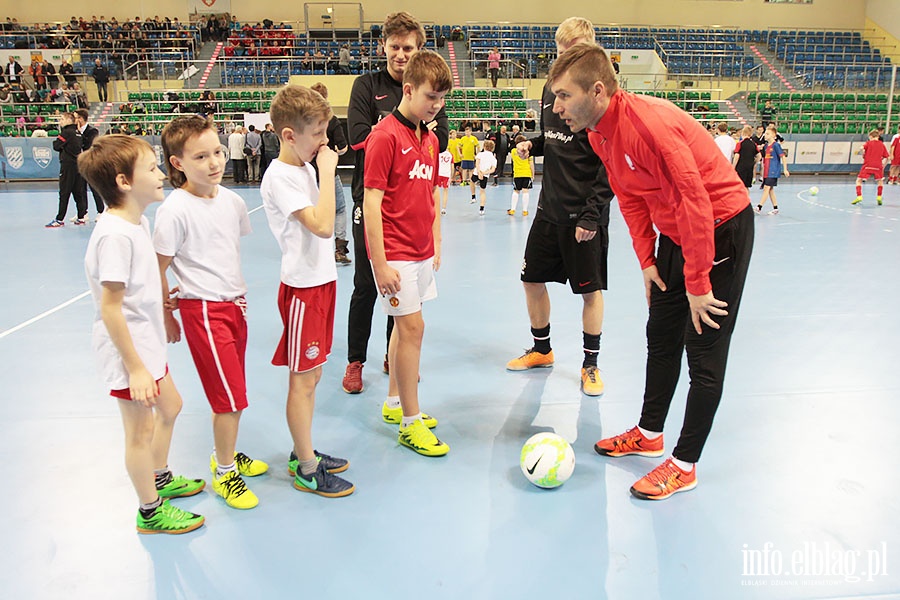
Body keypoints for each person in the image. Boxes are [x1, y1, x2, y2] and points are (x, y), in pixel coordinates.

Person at [547, 42, 754, 500]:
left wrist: (698, 282)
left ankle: (684, 463)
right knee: (660, 335)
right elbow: (632, 196)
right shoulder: (600, 132)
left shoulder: (650, 125)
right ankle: (650, 432)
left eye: (563, 96)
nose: (556, 106)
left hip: (720, 228)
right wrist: (646, 260)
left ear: (597, 91)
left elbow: (697, 200)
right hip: (676, 236)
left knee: (703, 350)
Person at [79, 134, 206, 534]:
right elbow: (111, 307)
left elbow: (145, 284)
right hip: (127, 353)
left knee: (170, 407)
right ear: (123, 182)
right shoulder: (115, 235)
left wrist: (166, 311)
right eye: (151, 168)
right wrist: (135, 369)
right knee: (140, 431)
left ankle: (160, 476)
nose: (160, 174)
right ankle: (150, 511)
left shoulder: (138, 222)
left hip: (146, 343)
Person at [155, 115, 268, 511]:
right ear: (178, 163)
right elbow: (159, 266)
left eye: (217, 152)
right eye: (200, 156)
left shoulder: (233, 201)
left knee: (234, 389)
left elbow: (223, 251)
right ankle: (224, 473)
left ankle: (227, 451)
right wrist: (167, 313)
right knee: (229, 398)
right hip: (202, 309)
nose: (214, 162)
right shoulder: (174, 210)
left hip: (235, 303)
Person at [343, 11, 449, 394]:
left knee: (404, 300)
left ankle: (395, 358)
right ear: (383, 46)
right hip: (371, 201)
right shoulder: (367, 85)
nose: (401, 54)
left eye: (409, 48)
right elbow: (358, 137)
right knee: (367, 285)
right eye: (395, 46)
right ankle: (356, 360)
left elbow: (441, 141)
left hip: (411, 206)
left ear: (419, 50)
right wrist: (394, 127)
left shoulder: (430, 91)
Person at [507, 18, 612, 398]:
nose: (569, 57)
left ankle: (590, 365)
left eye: (577, 49)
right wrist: (531, 145)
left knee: (590, 291)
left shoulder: (603, 101)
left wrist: (591, 214)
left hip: (585, 215)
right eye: (563, 50)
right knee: (531, 279)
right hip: (548, 209)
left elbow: (609, 164)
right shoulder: (552, 91)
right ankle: (542, 349)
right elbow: (558, 139)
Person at [260, 85, 354, 497]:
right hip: (302, 290)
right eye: (317, 133)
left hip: (322, 283)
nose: (324, 141)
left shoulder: (302, 168)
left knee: (313, 375)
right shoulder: (281, 176)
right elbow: (319, 223)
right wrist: (331, 170)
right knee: (302, 380)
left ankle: (304, 452)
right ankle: (306, 468)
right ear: (288, 135)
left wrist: (321, 167)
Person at [364, 49, 451, 457]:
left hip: (420, 251)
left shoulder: (430, 139)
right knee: (413, 329)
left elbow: (430, 195)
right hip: (395, 252)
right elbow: (371, 203)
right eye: (431, 97)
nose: (437, 105)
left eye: (442, 99)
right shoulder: (384, 137)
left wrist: (434, 241)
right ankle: (410, 424)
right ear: (409, 89)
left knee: (403, 329)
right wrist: (379, 263)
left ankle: (394, 402)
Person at [311, 82, 351, 266]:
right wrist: (334, 151)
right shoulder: (332, 120)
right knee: (339, 208)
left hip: (308, 173)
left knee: (310, 209)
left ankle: (313, 248)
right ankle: (339, 248)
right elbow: (343, 148)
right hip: (327, 172)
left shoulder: (303, 121)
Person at [46, 112, 86, 227]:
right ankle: (81, 217)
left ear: (69, 120)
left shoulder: (67, 132)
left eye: (62, 119)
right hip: (77, 165)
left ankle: (59, 219)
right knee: (78, 192)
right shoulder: (78, 132)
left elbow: (56, 145)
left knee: (64, 192)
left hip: (68, 166)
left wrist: (61, 146)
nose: (60, 121)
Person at [74, 108, 104, 219]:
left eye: (76, 117)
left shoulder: (92, 131)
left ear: (81, 119)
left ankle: (100, 211)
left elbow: (88, 146)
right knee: (80, 189)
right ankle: (83, 212)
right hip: (79, 164)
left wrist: (79, 135)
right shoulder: (74, 132)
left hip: (90, 163)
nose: (74, 120)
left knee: (94, 187)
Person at [757, 125, 789, 215]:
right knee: (770, 190)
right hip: (767, 171)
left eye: (767, 134)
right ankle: (775, 208)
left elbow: (783, 157)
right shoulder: (766, 146)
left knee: (766, 188)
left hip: (773, 171)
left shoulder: (776, 145)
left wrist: (785, 169)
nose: (765, 135)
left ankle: (759, 207)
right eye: (765, 133)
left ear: (773, 135)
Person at [852, 128, 889, 206]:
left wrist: (864, 153)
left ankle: (859, 196)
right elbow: (887, 157)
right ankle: (879, 196)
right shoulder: (882, 144)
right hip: (878, 166)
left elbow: (861, 148)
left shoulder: (868, 143)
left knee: (859, 180)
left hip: (868, 165)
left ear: (871, 136)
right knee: (880, 181)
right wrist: (883, 166)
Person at [508, 134, 533, 216]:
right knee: (525, 191)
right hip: (527, 173)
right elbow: (531, 164)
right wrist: (533, 174)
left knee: (516, 191)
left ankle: (513, 209)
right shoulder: (528, 152)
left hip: (517, 174)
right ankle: (525, 210)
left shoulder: (513, 151)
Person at [473, 139, 497, 216]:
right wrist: (484, 173)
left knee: (471, 181)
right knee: (482, 191)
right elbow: (492, 170)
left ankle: (473, 196)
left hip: (477, 173)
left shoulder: (480, 154)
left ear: (484, 147)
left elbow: (477, 164)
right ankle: (482, 209)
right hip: (485, 175)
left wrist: (479, 172)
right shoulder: (493, 158)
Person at [459, 126, 479, 190]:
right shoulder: (463, 139)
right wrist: (460, 154)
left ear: (471, 132)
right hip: (464, 157)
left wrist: (477, 155)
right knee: (464, 169)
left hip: (471, 157)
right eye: (466, 132)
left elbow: (478, 146)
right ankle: (464, 181)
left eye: (468, 132)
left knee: (471, 170)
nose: (467, 133)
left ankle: (471, 181)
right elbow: (458, 147)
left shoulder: (474, 138)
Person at [437, 146, 453, 215]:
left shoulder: (438, 154)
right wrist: (451, 177)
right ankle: (443, 208)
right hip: (446, 175)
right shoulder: (450, 155)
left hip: (438, 173)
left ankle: (435, 206)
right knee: (445, 191)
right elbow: (452, 166)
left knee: (435, 190)